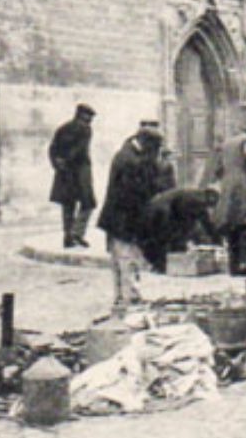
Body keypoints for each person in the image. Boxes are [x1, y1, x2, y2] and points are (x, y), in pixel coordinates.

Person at [97, 120, 172, 310]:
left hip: (121, 218)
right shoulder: (130, 160)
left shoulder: (130, 153)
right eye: (155, 149)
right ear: (146, 143)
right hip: (122, 219)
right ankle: (129, 299)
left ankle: (124, 297)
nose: (156, 154)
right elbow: (136, 194)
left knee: (123, 260)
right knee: (126, 259)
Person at [214, 125, 246, 276]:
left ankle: (233, 264)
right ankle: (245, 262)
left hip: (227, 184)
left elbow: (218, 169)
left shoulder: (226, 144)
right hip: (240, 183)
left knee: (231, 223)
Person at [47, 103, 96, 249]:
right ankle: (77, 234)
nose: (90, 119)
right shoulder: (85, 129)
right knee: (89, 203)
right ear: (81, 115)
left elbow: (52, 148)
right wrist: (68, 161)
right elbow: (79, 150)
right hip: (79, 173)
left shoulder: (63, 128)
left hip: (64, 173)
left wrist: (57, 163)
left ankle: (68, 237)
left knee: (68, 205)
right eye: (89, 116)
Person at [139, 186, 221, 273]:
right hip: (162, 213)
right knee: (170, 240)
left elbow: (204, 222)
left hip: (153, 209)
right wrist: (217, 241)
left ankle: (160, 264)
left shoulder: (191, 194)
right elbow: (202, 221)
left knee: (163, 240)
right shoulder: (198, 199)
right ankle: (163, 265)